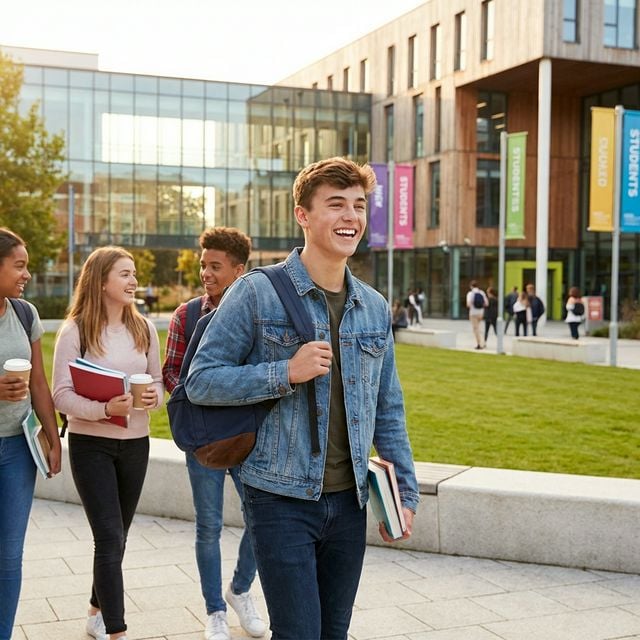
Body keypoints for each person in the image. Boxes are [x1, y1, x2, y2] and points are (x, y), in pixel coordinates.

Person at [185, 157, 419, 640]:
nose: (350, 216)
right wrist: (284, 372)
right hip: (278, 496)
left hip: (350, 500)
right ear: (303, 215)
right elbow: (201, 380)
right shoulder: (256, 292)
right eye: (336, 204)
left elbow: (387, 408)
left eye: (358, 205)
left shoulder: (373, 306)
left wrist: (405, 494)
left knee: (334, 632)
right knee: (297, 633)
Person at [52, 247, 164, 640]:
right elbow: (60, 396)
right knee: (109, 536)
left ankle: (95, 609)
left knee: (119, 535)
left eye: (134, 274)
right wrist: (103, 409)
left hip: (136, 443)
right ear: (101, 282)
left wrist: (153, 398)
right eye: (125, 274)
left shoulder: (144, 328)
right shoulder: (75, 330)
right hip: (90, 445)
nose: (134, 281)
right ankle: (116, 631)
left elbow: (159, 383)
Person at [162, 227, 266, 640]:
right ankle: (215, 610)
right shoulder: (186, 315)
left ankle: (240, 590)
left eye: (215, 266)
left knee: (262, 519)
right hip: (203, 438)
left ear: (239, 270)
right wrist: (201, 397)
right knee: (208, 526)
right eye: (204, 265)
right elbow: (171, 370)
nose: (206, 272)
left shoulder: (258, 314)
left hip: (248, 437)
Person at [0, 228, 61, 640]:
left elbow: (38, 381)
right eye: (18, 265)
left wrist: (53, 436)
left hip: (17, 449)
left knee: (9, 557)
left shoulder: (24, 313)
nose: (26, 274)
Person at [466, 280, 488, 350]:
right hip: (481, 312)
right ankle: (483, 342)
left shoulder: (470, 293)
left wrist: (473, 304)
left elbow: (468, 304)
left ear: (471, 286)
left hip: (473, 313)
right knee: (478, 328)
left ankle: (479, 344)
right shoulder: (482, 292)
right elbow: (486, 303)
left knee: (475, 329)